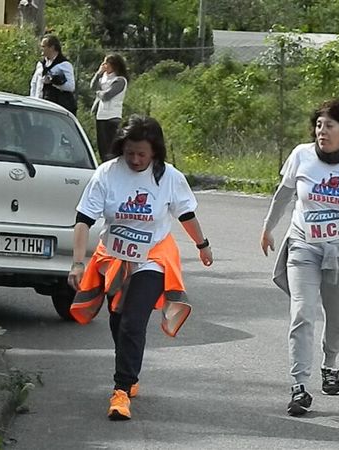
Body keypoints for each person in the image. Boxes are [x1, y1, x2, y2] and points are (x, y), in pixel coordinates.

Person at [67, 115, 213, 421]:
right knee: (118, 321)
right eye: (130, 152)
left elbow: (186, 214)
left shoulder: (169, 177)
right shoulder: (107, 174)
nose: (135, 159)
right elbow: (83, 219)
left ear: (155, 153)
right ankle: (129, 373)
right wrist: (78, 262)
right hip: (115, 258)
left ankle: (121, 391)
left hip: (154, 258)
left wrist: (202, 245)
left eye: (142, 154)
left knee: (134, 321)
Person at [260, 98, 339, 417]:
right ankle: (299, 386)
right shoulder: (301, 155)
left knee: (338, 317)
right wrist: (268, 227)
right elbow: (284, 194)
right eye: (318, 124)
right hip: (303, 246)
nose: (322, 131)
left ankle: (329, 364)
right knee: (302, 313)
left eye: (329, 125)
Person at [90, 53, 129, 162]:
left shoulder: (120, 80)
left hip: (112, 117)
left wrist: (98, 92)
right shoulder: (103, 78)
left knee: (110, 147)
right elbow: (92, 86)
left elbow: (107, 95)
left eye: (106, 63)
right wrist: (98, 73)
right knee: (102, 146)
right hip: (101, 115)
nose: (104, 65)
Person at [29, 34, 77, 115]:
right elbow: (34, 83)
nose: (41, 49)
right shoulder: (40, 64)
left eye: (43, 46)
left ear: (52, 48)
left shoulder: (64, 65)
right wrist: (32, 100)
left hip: (56, 107)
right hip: (39, 105)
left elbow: (71, 86)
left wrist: (53, 82)